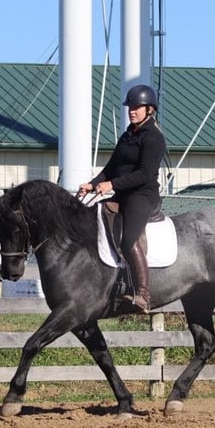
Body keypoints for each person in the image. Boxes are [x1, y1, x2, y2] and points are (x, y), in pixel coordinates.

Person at [77, 84, 166, 314]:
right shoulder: (128, 135)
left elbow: (145, 174)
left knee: (128, 240)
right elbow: (112, 167)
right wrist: (93, 183)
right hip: (122, 192)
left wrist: (112, 185)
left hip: (142, 195)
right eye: (130, 107)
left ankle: (143, 294)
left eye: (137, 107)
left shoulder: (153, 137)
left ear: (150, 109)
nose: (132, 110)